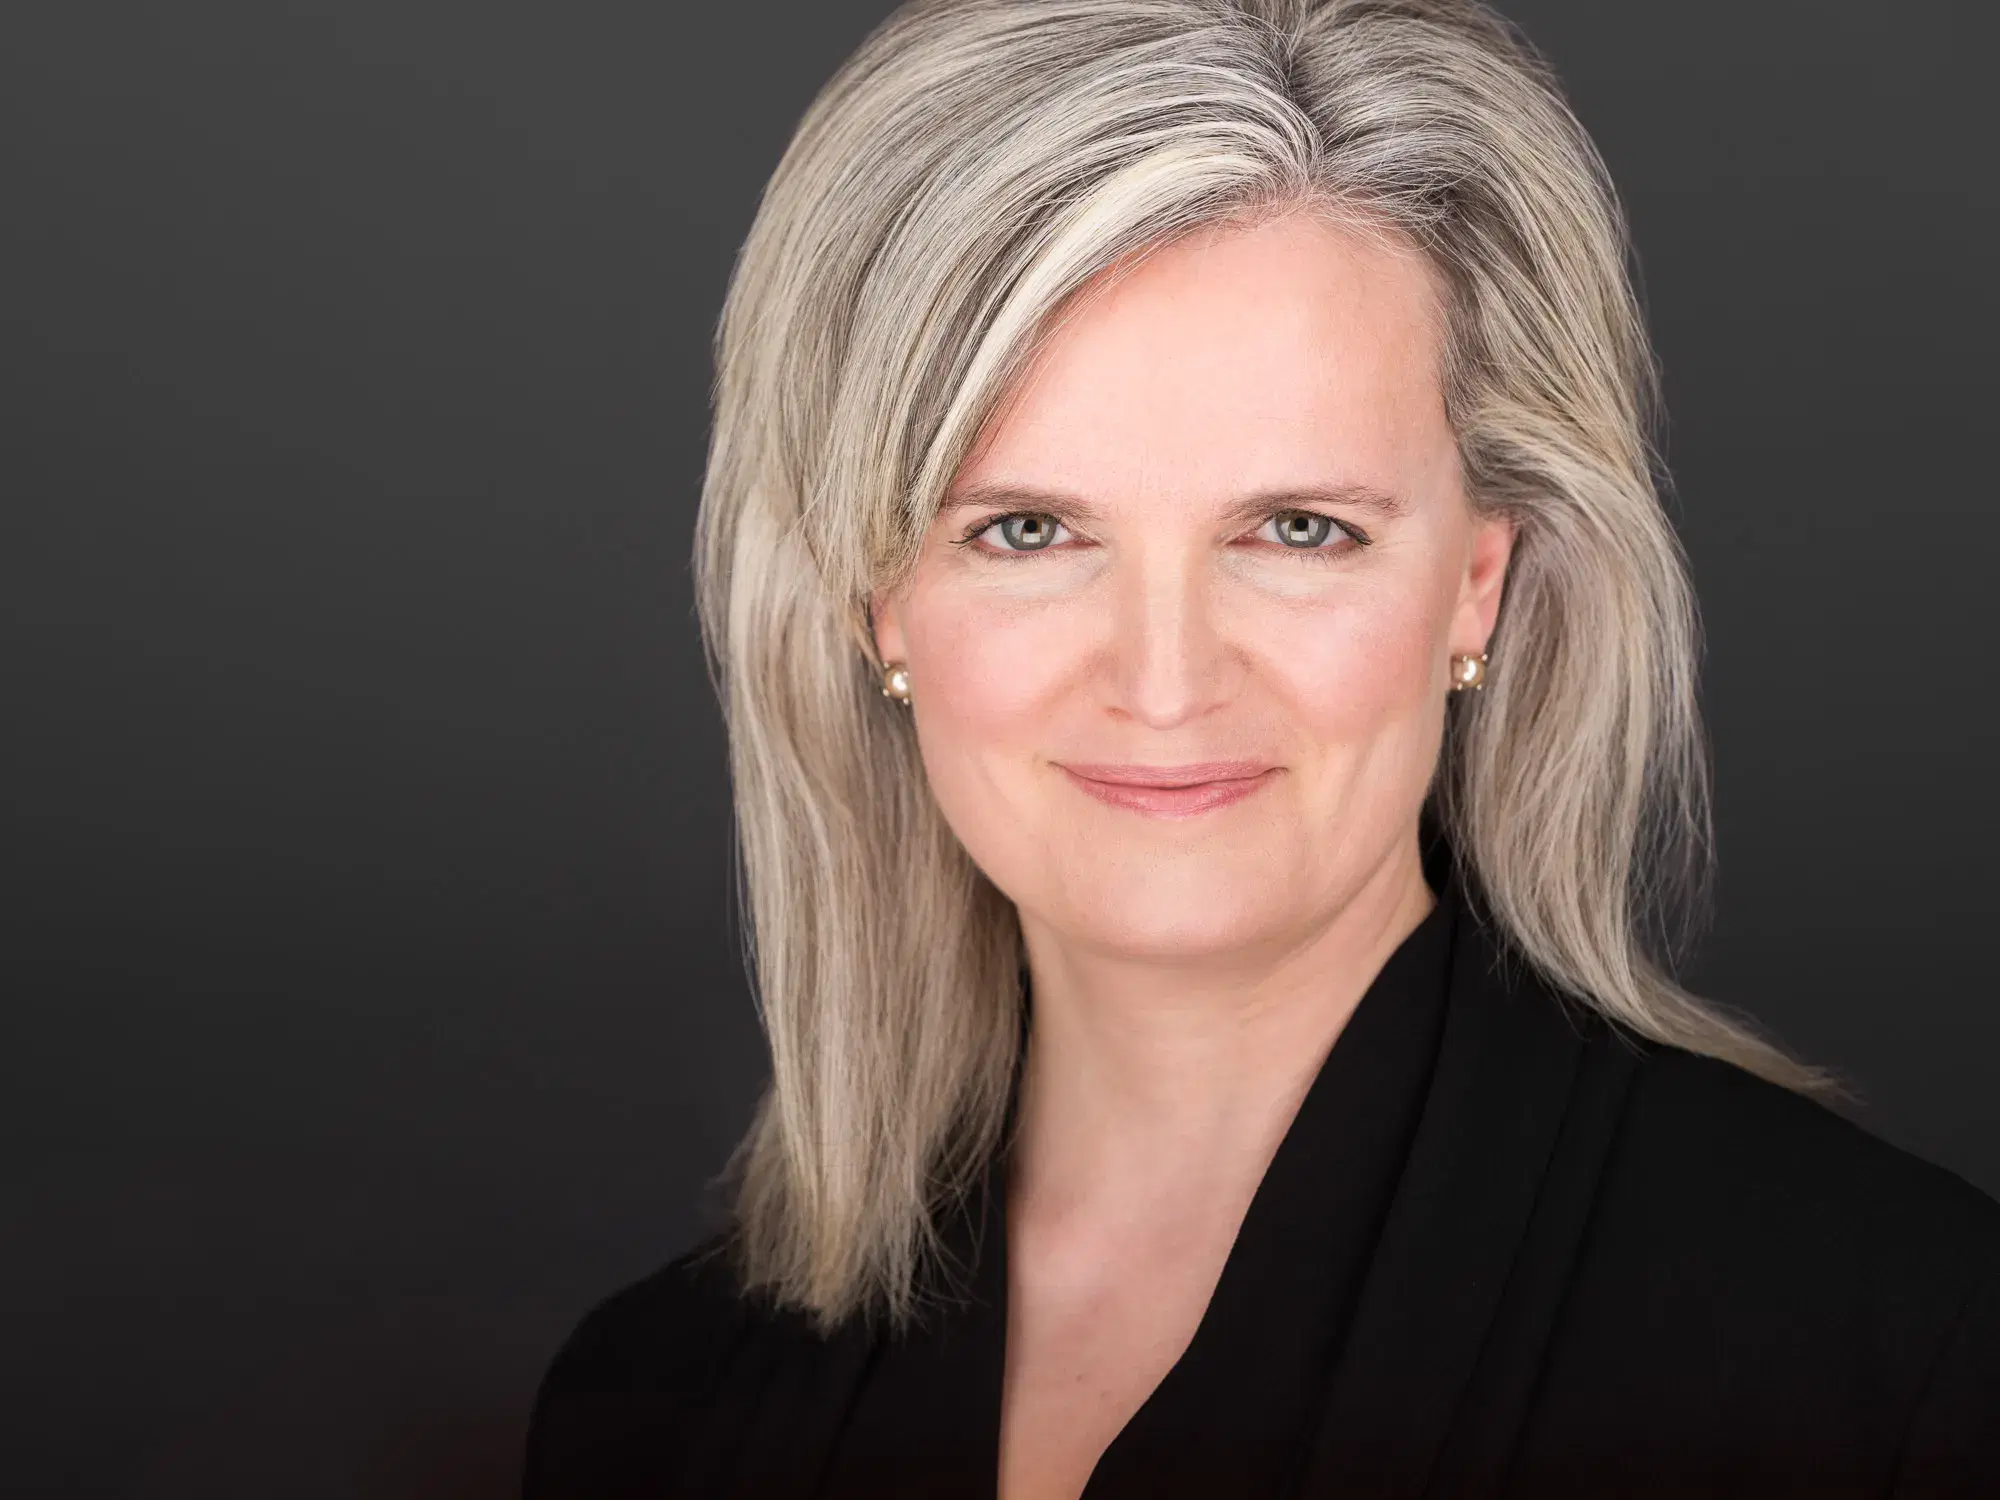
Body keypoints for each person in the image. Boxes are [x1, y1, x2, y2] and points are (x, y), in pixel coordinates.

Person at [520, 1, 2000, 1495]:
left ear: (1476, 581)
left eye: (1299, 530)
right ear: (879, 604)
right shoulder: (654, 1410)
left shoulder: (1894, 1363)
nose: (1166, 682)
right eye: (1028, 531)